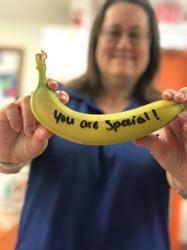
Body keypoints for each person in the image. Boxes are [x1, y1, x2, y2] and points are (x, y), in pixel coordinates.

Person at [0, 0, 187, 249]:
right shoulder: (56, 104)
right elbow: (16, 158)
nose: (124, 44)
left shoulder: (167, 116)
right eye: (113, 32)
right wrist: (7, 159)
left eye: (136, 34)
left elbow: (177, 181)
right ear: (96, 40)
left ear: (151, 45)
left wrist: (184, 175)